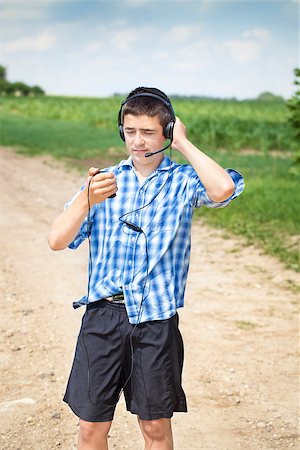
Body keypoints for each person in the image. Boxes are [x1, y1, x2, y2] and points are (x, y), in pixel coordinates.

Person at [48, 86, 244, 450]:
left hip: (156, 320)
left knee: (155, 428)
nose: (137, 141)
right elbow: (57, 239)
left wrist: (183, 144)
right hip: (103, 318)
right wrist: (86, 200)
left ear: (167, 132)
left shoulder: (183, 182)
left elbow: (222, 189)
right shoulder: (103, 181)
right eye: (130, 130)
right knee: (91, 427)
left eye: (149, 132)